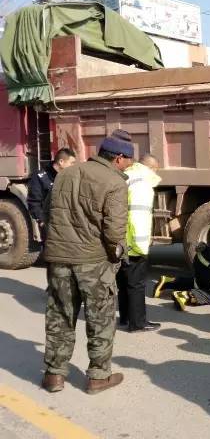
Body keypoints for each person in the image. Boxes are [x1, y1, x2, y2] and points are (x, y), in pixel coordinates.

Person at [42, 130, 133, 395]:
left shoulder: (65, 174)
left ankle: (54, 375)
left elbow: (48, 212)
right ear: (118, 158)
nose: (130, 165)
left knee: (59, 315)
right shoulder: (115, 182)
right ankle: (98, 376)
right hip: (93, 262)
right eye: (129, 160)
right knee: (100, 319)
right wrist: (116, 258)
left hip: (59, 259)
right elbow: (115, 232)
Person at [116, 154, 162, 333]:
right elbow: (137, 216)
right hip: (134, 244)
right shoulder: (143, 184)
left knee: (123, 282)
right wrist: (141, 246)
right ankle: (138, 323)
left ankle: (125, 318)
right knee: (136, 284)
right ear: (151, 168)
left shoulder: (127, 177)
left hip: (122, 240)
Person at [27, 148, 76, 236]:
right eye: (72, 163)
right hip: (50, 226)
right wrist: (42, 221)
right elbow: (34, 202)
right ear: (61, 162)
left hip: (67, 225)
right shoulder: (40, 176)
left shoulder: (68, 177)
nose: (73, 166)